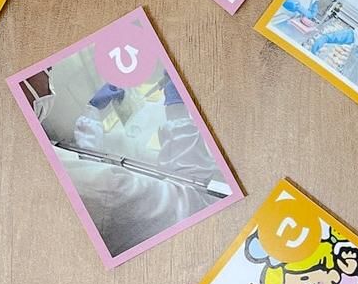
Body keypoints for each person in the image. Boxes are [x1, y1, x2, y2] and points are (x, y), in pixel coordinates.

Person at [20, 70, 224, 260]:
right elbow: (193, 201)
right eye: (47, 69)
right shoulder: (106, 188)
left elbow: (82, 165)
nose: (49, 78)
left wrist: (93, 112)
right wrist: (178, 110)